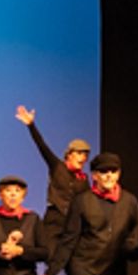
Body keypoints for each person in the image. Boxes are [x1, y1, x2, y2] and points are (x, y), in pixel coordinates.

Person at [15, 105, 91, 257]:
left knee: (73, 258)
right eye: (79, 153)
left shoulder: (83, 180)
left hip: (73, 223)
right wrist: (31, 125)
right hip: (54, 220)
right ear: (69, 154)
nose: (83, 158)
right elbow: (42, 145)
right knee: (49, 254)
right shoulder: (57, 167)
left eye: (85, 155)